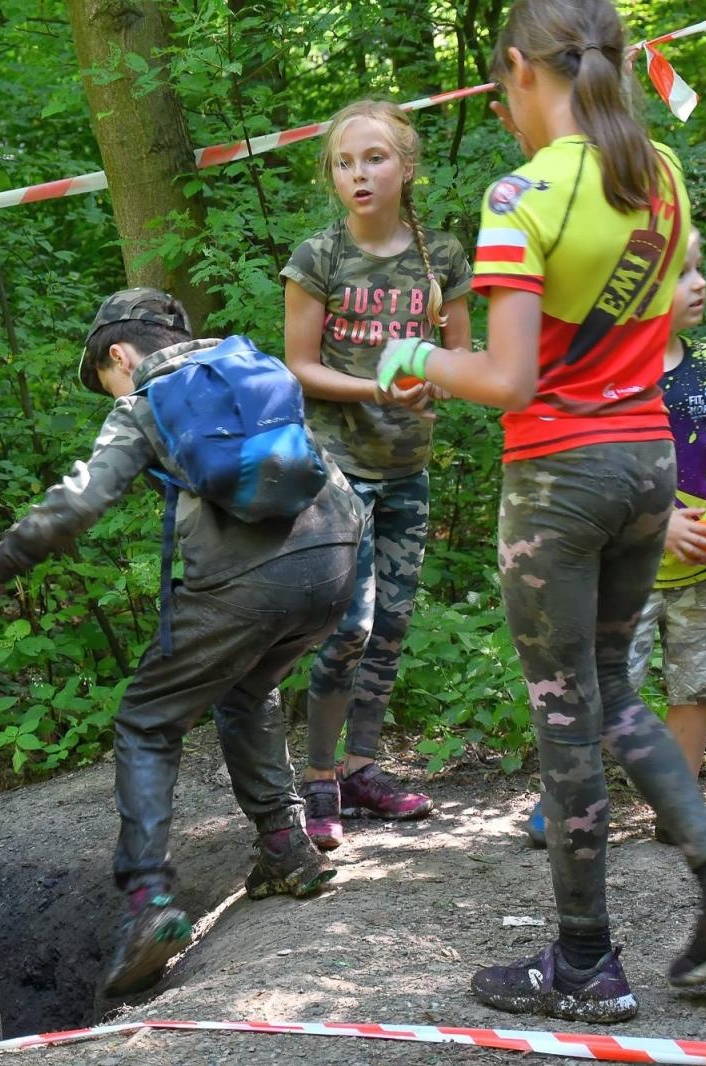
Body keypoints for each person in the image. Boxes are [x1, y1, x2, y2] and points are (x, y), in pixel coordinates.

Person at [375, 0, 706, 1022]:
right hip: (650, 463)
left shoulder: (521, 193)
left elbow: (510, 378)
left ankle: (582, 961)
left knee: (566, 715)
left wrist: (412, 357)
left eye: (499, 87)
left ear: (519, 68)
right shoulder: (662, 176)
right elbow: (651, 335)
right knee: (609, 687)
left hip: (560, 479)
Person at [0, 288, 363, 999]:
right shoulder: (249, 365)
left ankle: (150, 903)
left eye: (106, 380)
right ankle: (286, 849)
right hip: (336, 553)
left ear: (119, 354)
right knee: (246, 692)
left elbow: (83, 499)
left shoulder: (149, 399)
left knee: (148, 721)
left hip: (254, 579)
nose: (112, 391)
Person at [525, 228, 706, 853]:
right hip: (618, 573)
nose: (699, 284)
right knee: (598, 687)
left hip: (700, 573)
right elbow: (586, 466)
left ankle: (680, 809)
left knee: (698, 685)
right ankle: (567, 802)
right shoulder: (602, 374)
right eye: (681, 274)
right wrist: (656, 522)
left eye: (699, 270)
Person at [280, 99, 473, 850]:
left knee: (390, 626)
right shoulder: (318, 256)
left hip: (408, 470)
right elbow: (298, 365)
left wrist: (438, 381)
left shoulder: (442, 257)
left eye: (375, 158)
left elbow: (459, 357)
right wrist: (375, 389)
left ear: (406, 166)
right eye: (344, 162)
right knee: (348, 628)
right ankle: (319, 777)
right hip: (336, 471)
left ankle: (363, 770)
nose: (359, 174)